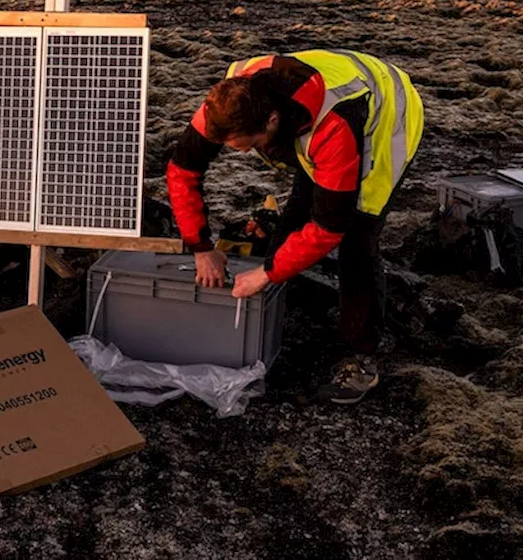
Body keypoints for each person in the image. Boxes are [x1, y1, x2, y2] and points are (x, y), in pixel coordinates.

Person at [166, 50, 424, 404]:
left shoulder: (333, 126)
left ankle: (361, 355)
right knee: (294, 220)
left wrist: (266, 274)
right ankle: (270, 317)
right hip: (309, 116)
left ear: (270, 122)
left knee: (357, 237)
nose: (240, 154)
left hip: (385, 118)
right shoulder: (227, 102)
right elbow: (182, 170)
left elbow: (330, 226)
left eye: (248, 146)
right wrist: (200, 247)